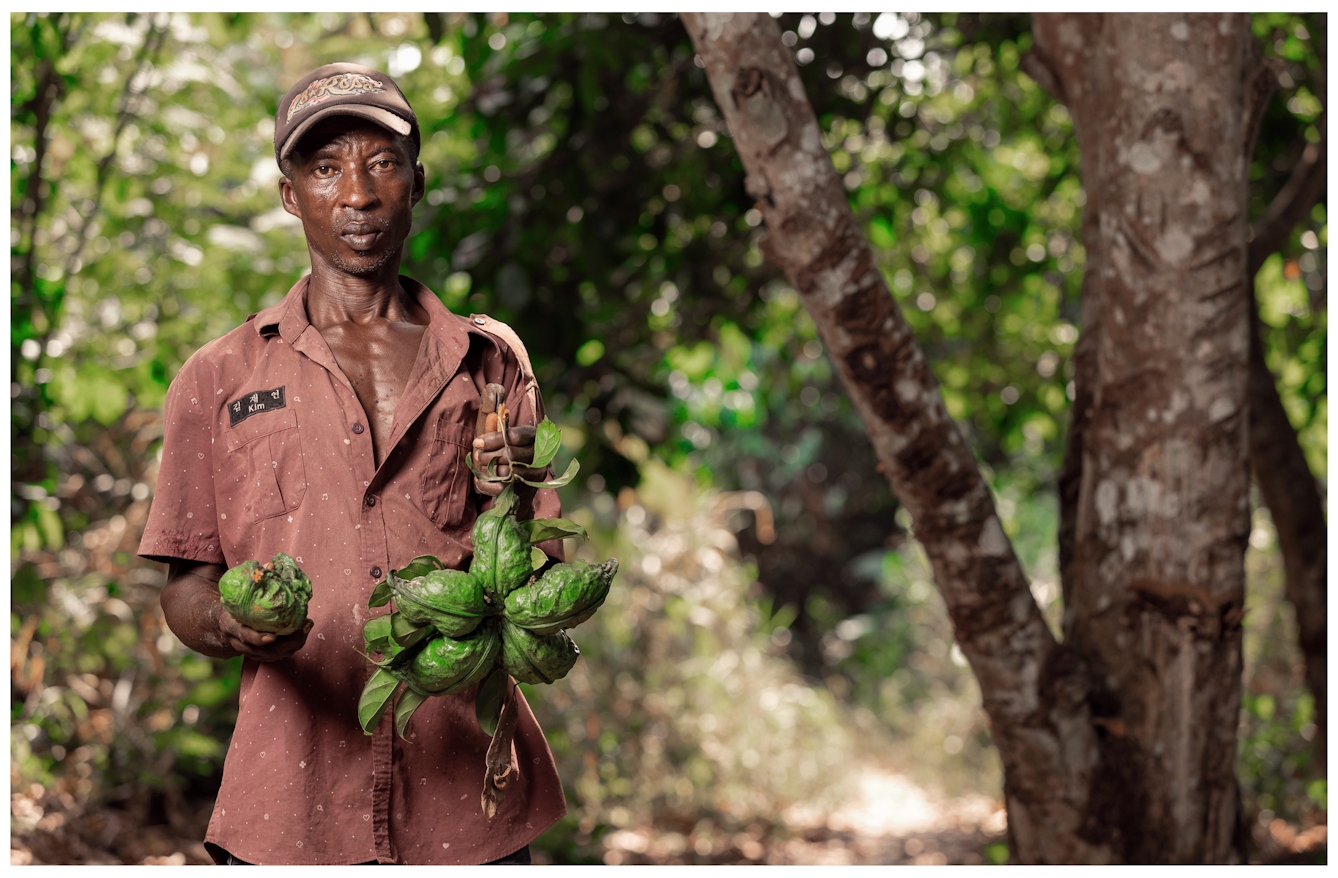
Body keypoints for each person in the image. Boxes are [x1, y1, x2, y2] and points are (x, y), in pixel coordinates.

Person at [140, 63, 566, 865]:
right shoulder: (219, 377)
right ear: (289, 193)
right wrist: (229, 623)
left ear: (417, 181)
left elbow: (542, 581)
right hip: (288, 802)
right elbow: (184, 587)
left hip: (466, 798)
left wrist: (514, 488)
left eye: (382, 163)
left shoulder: (487, 358)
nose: (358, 195)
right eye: (327, 167)